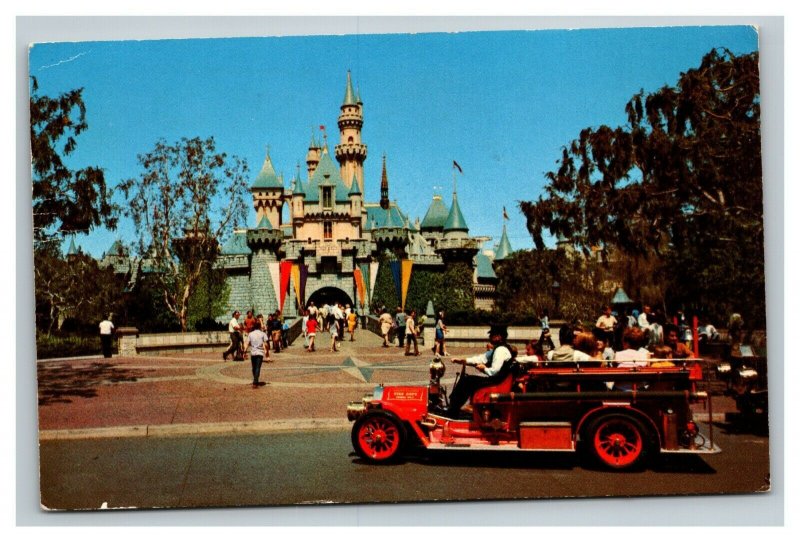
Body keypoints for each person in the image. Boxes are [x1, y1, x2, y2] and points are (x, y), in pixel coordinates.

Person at [446, 324, 515, 417]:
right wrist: (464, 361)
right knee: (468, 379)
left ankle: (453, 411)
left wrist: (484, 369)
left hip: (496, 382)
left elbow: (494, 371)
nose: (489, 337)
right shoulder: (499, 348)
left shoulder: (501, 350)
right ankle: (454, 407)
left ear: (498, 337)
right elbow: (482, 358)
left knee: (468, 381)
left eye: (492, 335)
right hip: (497, 380)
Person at [247, 320, 269, 388]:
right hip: (260, 353)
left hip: (253, 352)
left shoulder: (250, 334)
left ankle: (255, 380)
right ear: (259, 326)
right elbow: (266, 344)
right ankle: (255, 381)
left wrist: (244, 350)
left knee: (254, 367)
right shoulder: (263, 334)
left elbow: (247, 343)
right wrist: (267, 352)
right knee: (257, 367)